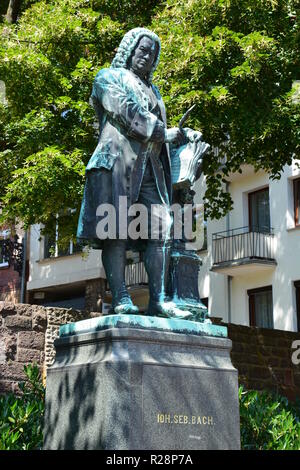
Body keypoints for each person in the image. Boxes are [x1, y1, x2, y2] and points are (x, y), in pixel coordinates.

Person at [77, 27, 193, 319]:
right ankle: (120, 297)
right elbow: (125, 112)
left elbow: (159, 132)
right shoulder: (107, 78)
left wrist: (179, 137)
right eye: (143, 50)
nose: (148, 57)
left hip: (152, 170)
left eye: (153, 54)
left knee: (162, 228)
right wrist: (163, 132)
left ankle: (159, 300)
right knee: (116, 231)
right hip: (117, 165)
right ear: (128, 49)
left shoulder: (154, 90)